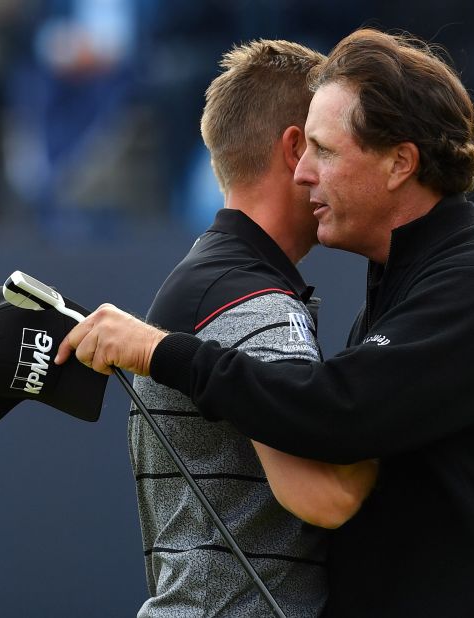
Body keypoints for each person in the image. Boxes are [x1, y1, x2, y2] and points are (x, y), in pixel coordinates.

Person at [58, 28, 474, 616]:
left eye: (324, 151)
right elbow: (383, 427)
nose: (303, 172)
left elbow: (338, 416)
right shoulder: (409, 283)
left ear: (399, 163)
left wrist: (162, 352)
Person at [124, 40, 377, 617]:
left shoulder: (218, 280)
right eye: (328, 145)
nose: (337, 166)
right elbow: (326, 496)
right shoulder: (253, 302)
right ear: (295, 149)